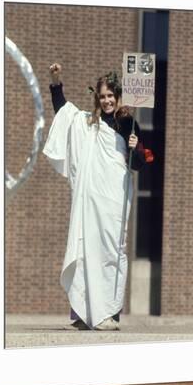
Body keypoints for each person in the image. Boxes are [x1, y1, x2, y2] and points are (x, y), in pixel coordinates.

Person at [43, 63, 151, 331]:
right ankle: (81, 312)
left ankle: (110, 314)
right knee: (85, 247)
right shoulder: (87, 123)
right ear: (97, 98)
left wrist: (135, 149)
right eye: (102, 96)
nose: (106, 100)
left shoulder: (128, 123)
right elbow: (63, 112)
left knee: (111, 251)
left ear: (118, 96)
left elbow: (138, 164)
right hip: (89, 201)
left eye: (110, 96)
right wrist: (56, 81)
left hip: (113, 200)